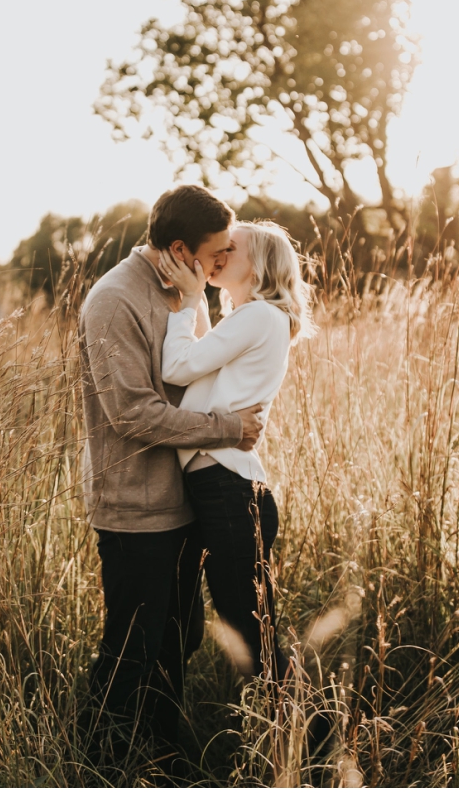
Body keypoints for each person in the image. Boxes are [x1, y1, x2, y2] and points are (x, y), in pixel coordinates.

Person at [76, 184, 265, 765]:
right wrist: (226, 428)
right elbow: (132, 413)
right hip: (134, 507)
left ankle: (160, 756)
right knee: (132, 646)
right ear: (181, 249)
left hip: (185, 500)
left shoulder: (187, 294)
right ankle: (95, 759)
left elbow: (193, 379)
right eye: (214, 255)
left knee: (177, 641)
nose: (219, 266)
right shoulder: (113, 301)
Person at [156, 220, 313, 683]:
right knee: (248, 632)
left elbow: (178, 366)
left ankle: (315, 737)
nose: (220, 253)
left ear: (259, 263)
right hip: (222, 487)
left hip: (228, 488)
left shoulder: (259, 316)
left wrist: (188, 299)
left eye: (231, 248)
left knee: (251, 637)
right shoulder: (253, 318)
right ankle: (301, 732)